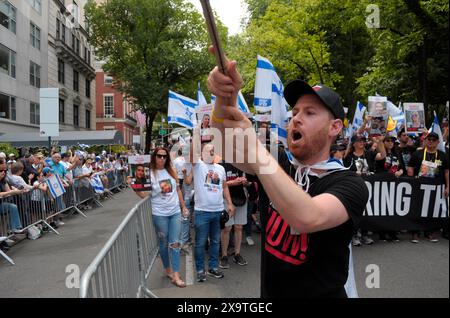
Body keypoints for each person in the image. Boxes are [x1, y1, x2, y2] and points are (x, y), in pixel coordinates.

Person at [207, 50, 368, 298]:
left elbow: (306, 218)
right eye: (295, 113)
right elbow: (222, 143)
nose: (296, 120)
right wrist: (224, 95)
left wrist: (257, 152)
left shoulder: (349, 184)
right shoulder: (278, 164)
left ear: (334, 127)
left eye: (310, 113)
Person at [129, 147, 189, 288]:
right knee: (163, 243)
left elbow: (178, 190)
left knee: (174, 243)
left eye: (164, 156)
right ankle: (168, 270)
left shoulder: (172, 170)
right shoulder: (149, 173)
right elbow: (145, 196)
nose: (162, 158)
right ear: (154, 157)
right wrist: (134, 187)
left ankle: (176, 274)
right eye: (159, 156)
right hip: (159, 214)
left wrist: (183, 206)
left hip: (174, 212)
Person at [184, 143, 235, 283]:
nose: (212, 152)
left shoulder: (220, 168)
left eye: (214, 150)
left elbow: (224, 187)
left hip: (217, 211)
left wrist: (229, 203)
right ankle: (200, 270)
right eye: (209, 150)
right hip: (202, 212)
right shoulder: (198, 165)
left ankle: (213, 267)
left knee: (215, 241)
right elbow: (190, 157)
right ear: (202, 153)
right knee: (200, 243)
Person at [407, 132, 449, 243]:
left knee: (432, 209)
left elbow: (447, 172)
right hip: (419, 186)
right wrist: (412, 182)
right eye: (429, 139)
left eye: (434, 140)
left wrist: (448, 187)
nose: (431, 141)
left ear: (438, 142)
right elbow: (410, 168)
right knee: (416, 209)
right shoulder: (418, 154)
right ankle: (415, 232)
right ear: (425, 140)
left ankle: (430, 232)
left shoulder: (442, 155)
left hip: (435, 188)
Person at [219, 162, 250, 269]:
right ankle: (224, 255)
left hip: (241, 198)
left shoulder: (243, 165)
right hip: (227, 199)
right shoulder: (221, 165)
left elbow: (248, 183)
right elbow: (218, 183)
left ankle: (237, 253)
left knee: (239, 227)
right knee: (227, 228)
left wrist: (245, 182)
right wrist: (233, 182)